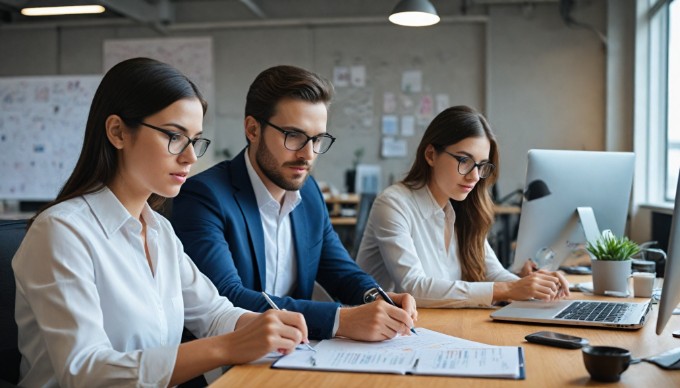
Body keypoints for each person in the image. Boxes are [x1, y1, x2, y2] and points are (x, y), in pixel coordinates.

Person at [12, 57, 309, 388]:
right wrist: (227, 347)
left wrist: (265, 325)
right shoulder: (62, 232)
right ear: (118, 132)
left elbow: (213, 314)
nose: (191, 157)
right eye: (174, 136)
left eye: (195, 140)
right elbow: (86, 371)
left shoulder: (159, 231)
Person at [171, 64, 417, 341]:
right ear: (253, 129)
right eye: (294, 136)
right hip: (225, 363)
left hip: (294, 353)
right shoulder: (204, 196)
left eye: (317, 139)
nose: (308, 154)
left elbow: (339, 270)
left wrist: (376, 297)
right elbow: (228, 298)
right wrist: (339, 320)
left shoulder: (309, 191)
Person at [355, 105, 570, 308]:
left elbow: (493, 274)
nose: (475, 176)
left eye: (481, 165)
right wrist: (510, 288)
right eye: (464, 160)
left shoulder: (461, 207)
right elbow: (413, 288)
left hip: (435, 326)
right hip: (383, 335)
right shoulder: (393, 204)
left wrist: (534, 285)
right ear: (431, 155)